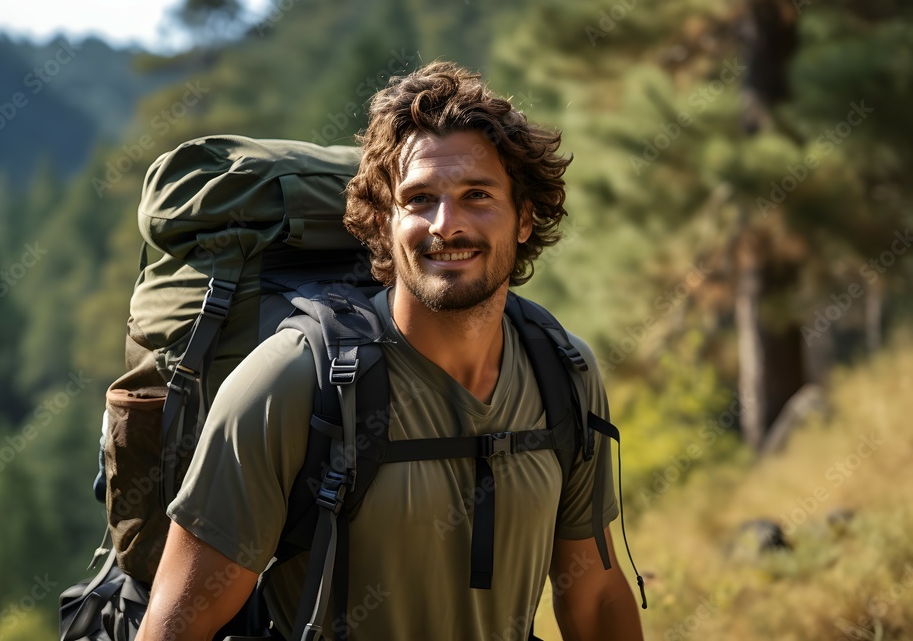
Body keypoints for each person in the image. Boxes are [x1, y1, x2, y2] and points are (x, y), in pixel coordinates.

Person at [136, 61, 644, 640]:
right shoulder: (291, 383)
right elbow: (176, 627)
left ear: (525, 217)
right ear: (383, 221)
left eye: (477, 195)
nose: (446, 225)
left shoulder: (562, 373)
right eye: (419, 199)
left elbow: (597, 596)